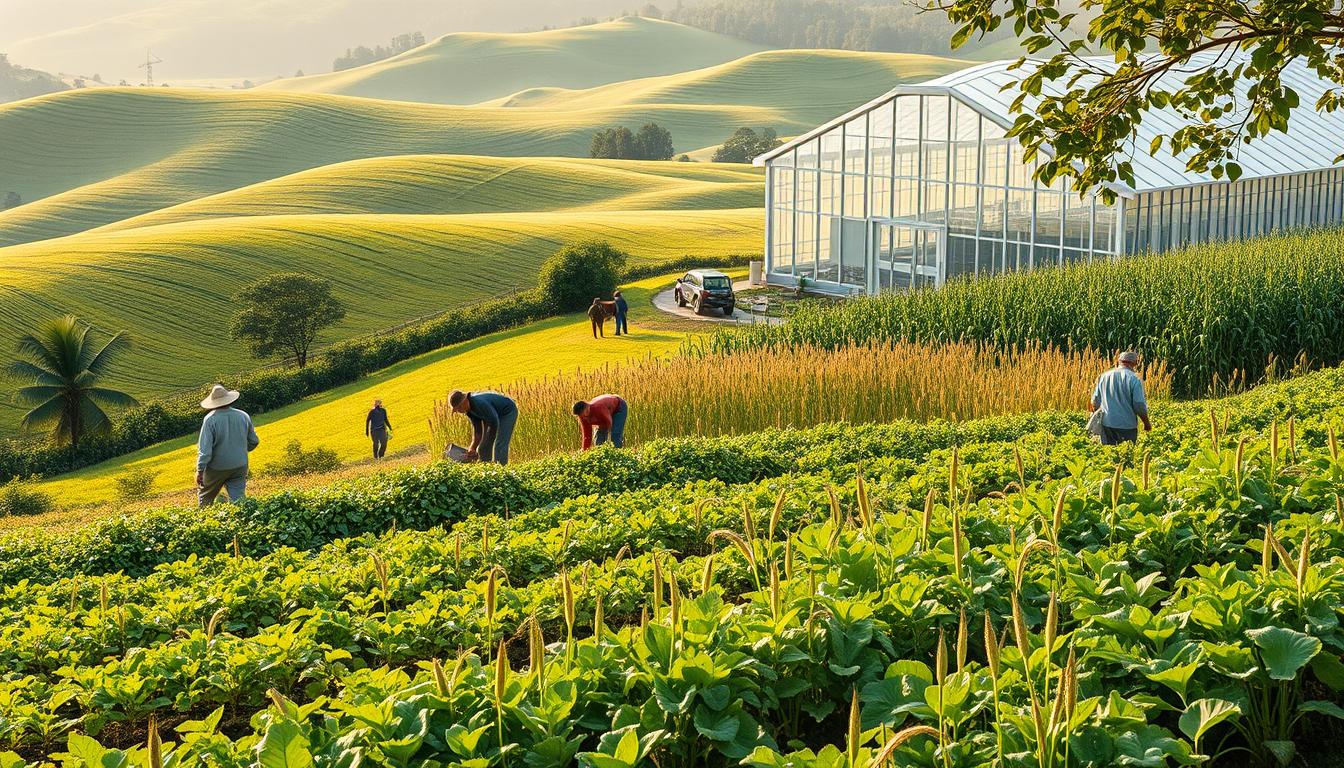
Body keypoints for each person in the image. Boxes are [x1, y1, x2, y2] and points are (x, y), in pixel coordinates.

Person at [196, 384, 260, 506]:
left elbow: (205, 451)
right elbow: (254, 441)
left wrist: (200, 471)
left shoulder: (210, 419)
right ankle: (243, 516)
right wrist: (240, 450)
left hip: (216, 468)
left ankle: (204, 517)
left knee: (205, 498)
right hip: (240, 464)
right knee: (239, 500)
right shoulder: (243, 415)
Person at [1089, 350, 1152, 446]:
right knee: (1126, 452)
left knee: (1108, 453)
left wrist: (1095, 416)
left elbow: (1095, 401)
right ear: (1134, 363)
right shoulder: (1134, 379)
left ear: (1119, 361)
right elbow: (1139, 405)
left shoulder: (1104, 376)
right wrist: (1146, 423)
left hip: (1107, 423)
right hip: (1127, 425)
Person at [450, 389, 518, 465]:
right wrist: (473, 447)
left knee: (499, 444)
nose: (458, 411)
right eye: (457, 410)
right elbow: (478, 430)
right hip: (493, 415)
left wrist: (486, 443)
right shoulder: (469, 411)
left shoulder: (479, 403)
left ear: (465, 401)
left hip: (507, 411)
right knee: (482, 448)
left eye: (459, 408)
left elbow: (494, 422)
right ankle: (487, 467)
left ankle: (501, 469)